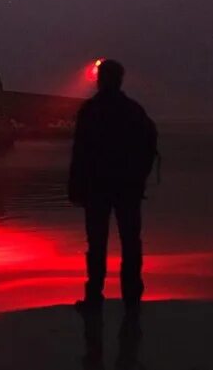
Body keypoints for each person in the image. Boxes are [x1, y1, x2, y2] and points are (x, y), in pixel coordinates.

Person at [68, 59, 157, 312]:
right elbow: (149, 146)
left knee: (97, 244)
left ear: (101, 80)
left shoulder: (90, 110)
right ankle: (132, 296)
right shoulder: (134, 111)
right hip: (128, 186)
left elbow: (80, 151)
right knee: (130, 242)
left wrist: (75, 186)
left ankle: (94, 296)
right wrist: (140, 177)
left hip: (97, 187)